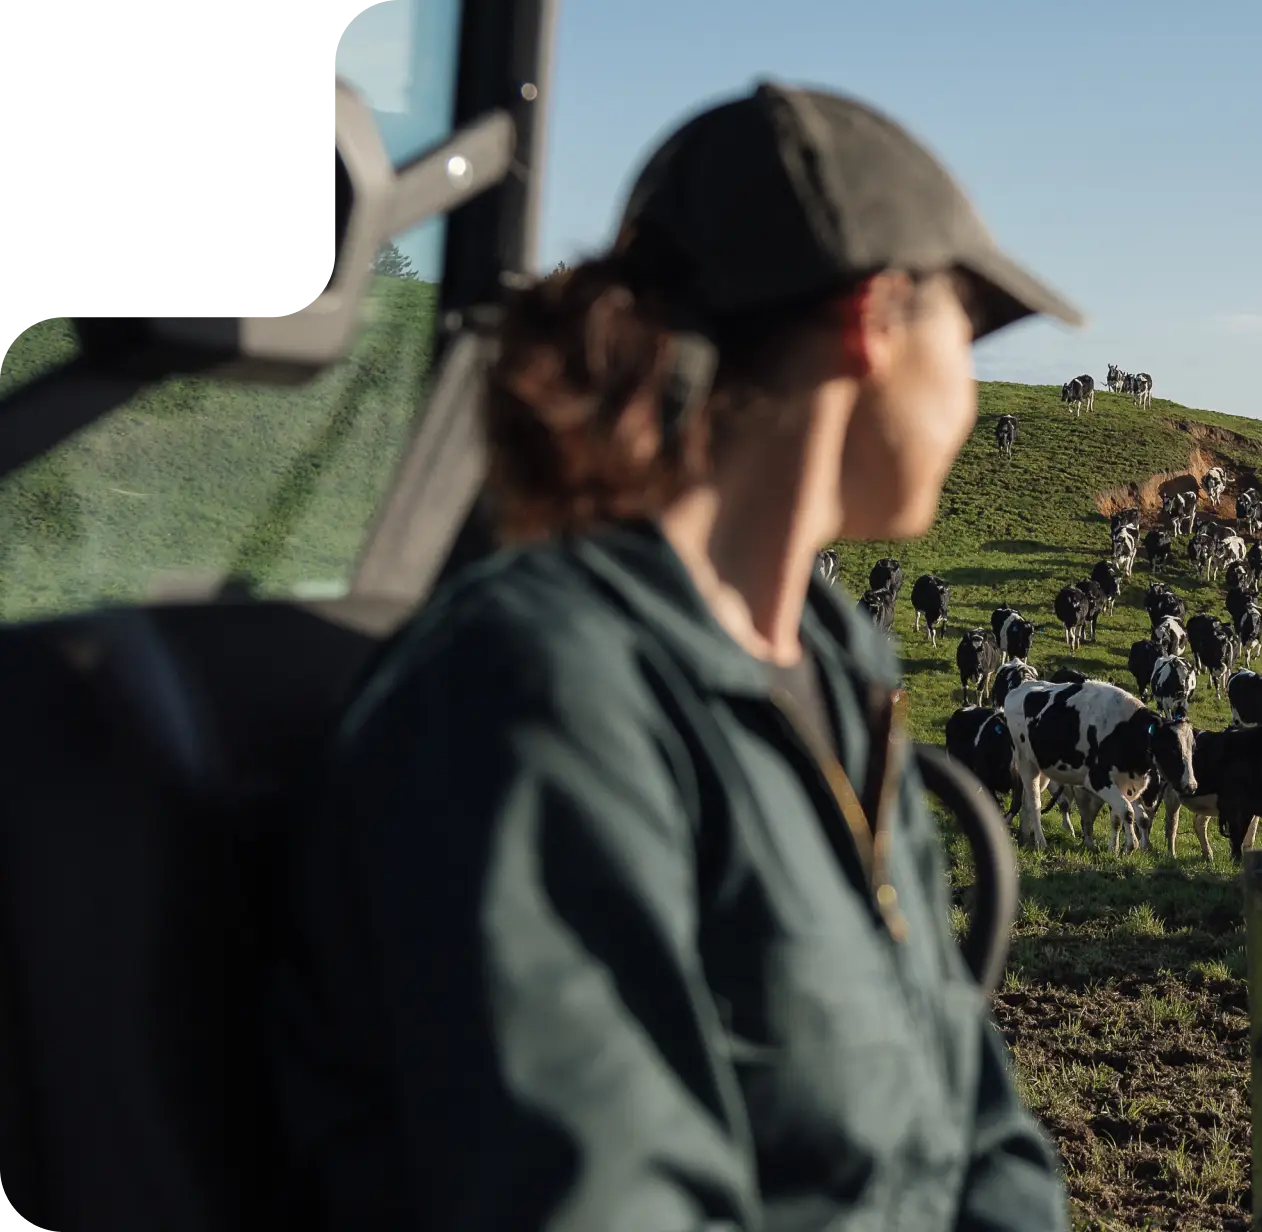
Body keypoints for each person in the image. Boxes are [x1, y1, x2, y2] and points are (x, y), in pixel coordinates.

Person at [268, 80, 1080, 1231]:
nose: (969, 382)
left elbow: (980, 1132)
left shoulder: (840, 674)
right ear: (873, 322)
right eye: (968, 324)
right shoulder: (541, 697)